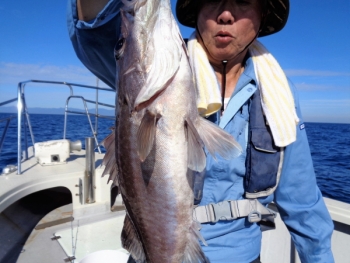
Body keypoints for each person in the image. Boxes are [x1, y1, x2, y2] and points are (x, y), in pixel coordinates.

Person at [67, 0, 334, 262]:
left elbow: (302, 201)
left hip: (242, 254)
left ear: (261, 16)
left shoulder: (280, 94)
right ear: (197, 11)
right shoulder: (160, 57)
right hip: (155, 250)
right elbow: (93, 31)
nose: (226, 14)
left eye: (242, 1)